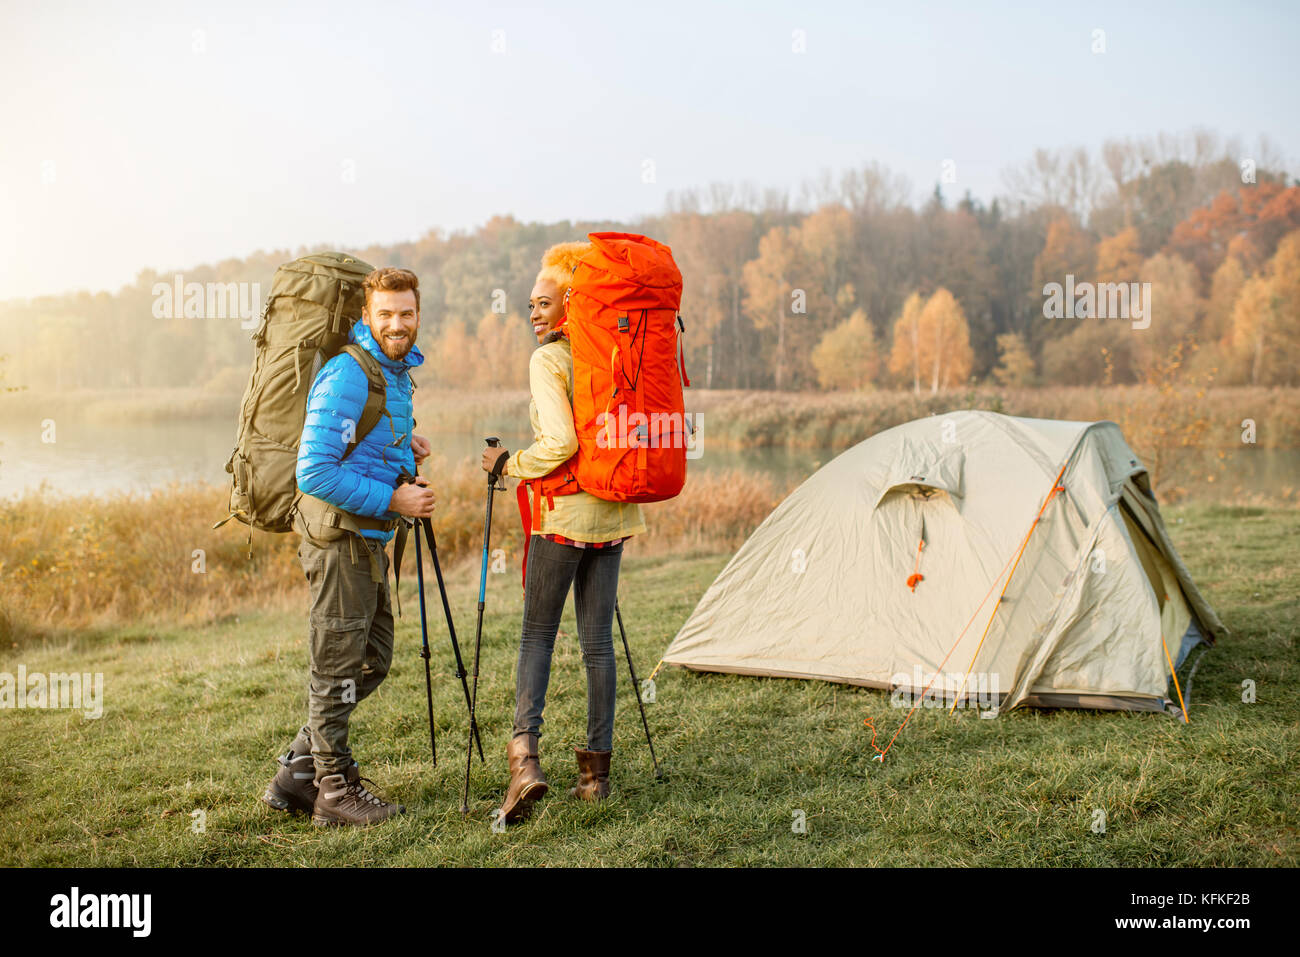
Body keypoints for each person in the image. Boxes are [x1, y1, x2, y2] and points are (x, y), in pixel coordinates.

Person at [262, 266, 435, 827]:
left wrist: (402, 446)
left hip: (366, 541)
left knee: (373, 659)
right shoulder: (347, 374)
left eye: (405, 313)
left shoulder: (393, 372)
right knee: (337, 666)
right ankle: (332, 792)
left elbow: (356, 446)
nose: (396, 323)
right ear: (366, 317)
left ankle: (297, 774)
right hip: (339, 542)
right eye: (384, 313)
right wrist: (395, 499)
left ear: (417, 314)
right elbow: (313, 472)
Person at [480, 242, 646, 824]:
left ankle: (525, 760)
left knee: (536, 638)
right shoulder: (619, 355)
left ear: (573, 303)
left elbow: (561, 445)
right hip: (615, 517)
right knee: (596, 643)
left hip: (566, 517)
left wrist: (508, 464)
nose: (534, 313)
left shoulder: (550, 361)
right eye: (530, 304)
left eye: (545, 302)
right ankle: (596, 776)